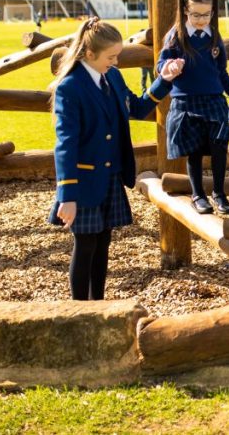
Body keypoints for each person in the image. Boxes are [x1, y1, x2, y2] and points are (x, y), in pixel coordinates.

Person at [48, 17, 184, 300]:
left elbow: (135, 107)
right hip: (82, 181)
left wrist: (165, 80)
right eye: (111, 57)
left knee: (103, 242)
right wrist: (67, 195)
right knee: (85, 245)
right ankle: (79, 310)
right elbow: (65, 145)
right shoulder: (69, 88)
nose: (116, 62)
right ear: (89, 54)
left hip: (109, 176)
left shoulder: (112, 76)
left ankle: (98, 304)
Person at [158, 0, 229, 216]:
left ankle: (219, 193)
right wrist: (169, 67)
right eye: (195, 14)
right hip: (186, 102)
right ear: (185, 11)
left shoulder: (214, 37)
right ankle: (198, 194)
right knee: (196, 151)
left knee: (220, 147)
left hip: (213, 101)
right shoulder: (175, 37)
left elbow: (222, 72)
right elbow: (161, 65)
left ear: (213, 11)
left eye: (206, 14)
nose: (201, 20)